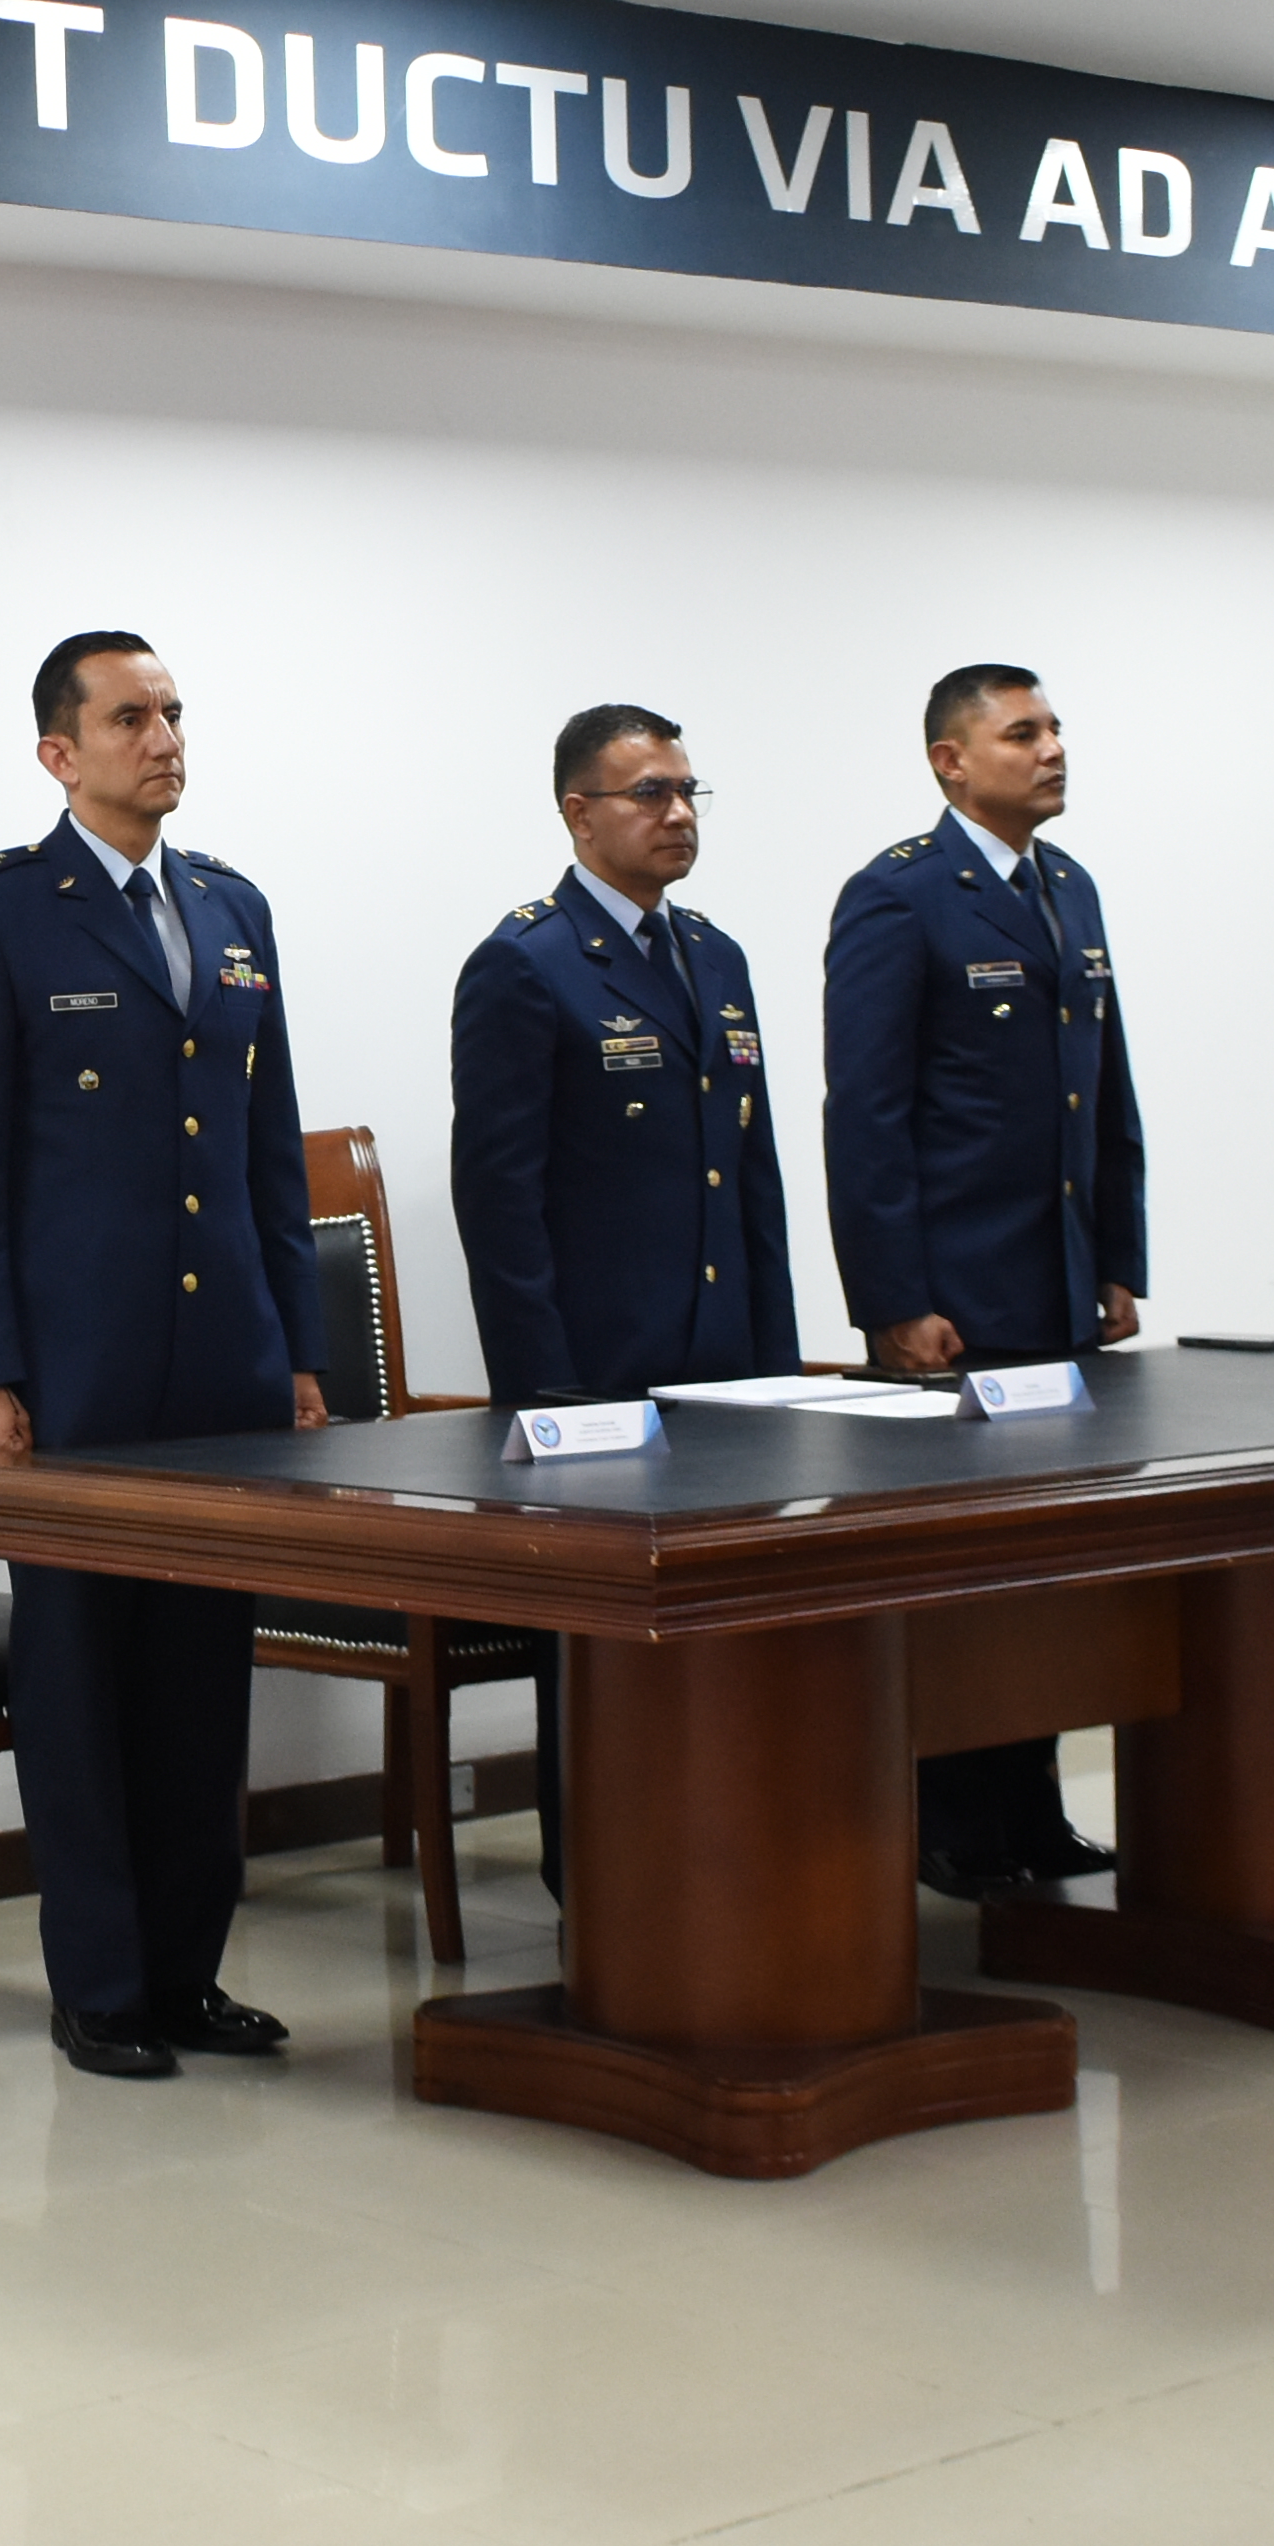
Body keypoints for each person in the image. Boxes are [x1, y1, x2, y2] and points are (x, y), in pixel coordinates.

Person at [0, 633, 328, 2080]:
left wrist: (295, 1347)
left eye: (172, 713)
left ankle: (186, 1972)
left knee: (204, 1678)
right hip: (75, 1371)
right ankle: (99, 1982)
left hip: (222, 1366)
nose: (162, 738)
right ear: (59, 754)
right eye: (129, 717)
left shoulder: (231, 909)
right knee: (80, 1678)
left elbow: (267, 1148)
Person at [448, 702, 802, 1891]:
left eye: (691, 791)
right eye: (651, 793)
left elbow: (751, 1176)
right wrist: (545, 1394)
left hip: (725, 1366)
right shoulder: (524, 962)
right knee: (597, 1659)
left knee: (729, 1639)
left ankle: (723, 1862)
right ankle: (595, 1880)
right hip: (599, 1374)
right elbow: (502, 1204)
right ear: (579, 811)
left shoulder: (716, 955)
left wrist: (781, 1367)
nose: (679, 814)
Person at [823, 661, 1142, 1891]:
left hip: (1056, 1292)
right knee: (959, 1586)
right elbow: (868, 1115)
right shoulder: (901, 896)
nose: (1052, 749)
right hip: (954, 1305)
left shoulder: (1070, 889)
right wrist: (893, 1300)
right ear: (951, 761)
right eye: (1023, 733)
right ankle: (953, 1824)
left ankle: (1032, 1815)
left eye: (1056, 728)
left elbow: (1102, 1091)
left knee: (1044, 1580)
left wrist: (1116, 1258)